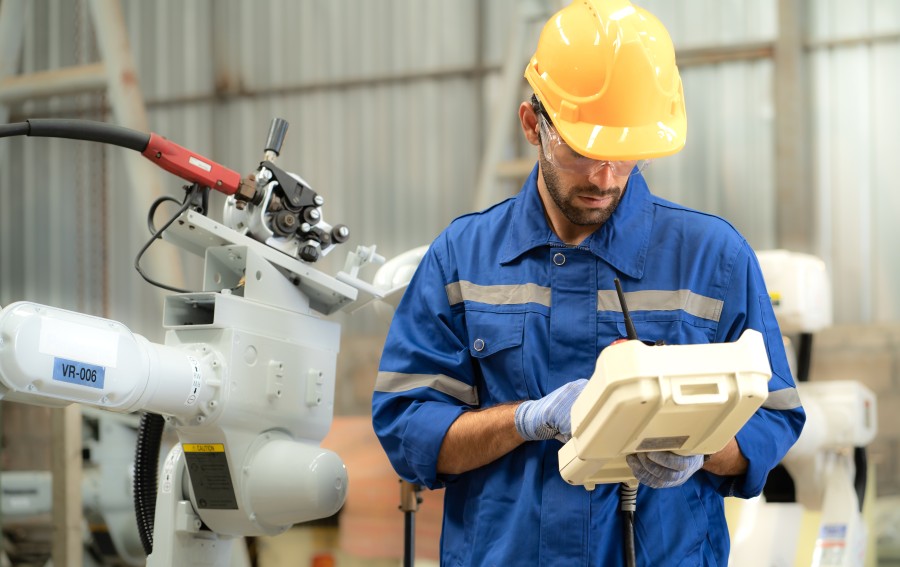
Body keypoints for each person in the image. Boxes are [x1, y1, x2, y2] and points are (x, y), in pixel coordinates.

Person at [371, 0, 805, 564]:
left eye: (626, 156)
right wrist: (528, 420)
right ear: (533, 125)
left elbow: (775, 416)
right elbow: (409, 429)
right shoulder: (462, 257)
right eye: (583, 151)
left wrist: (703, 449)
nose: (605, 178)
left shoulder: (713, 258)